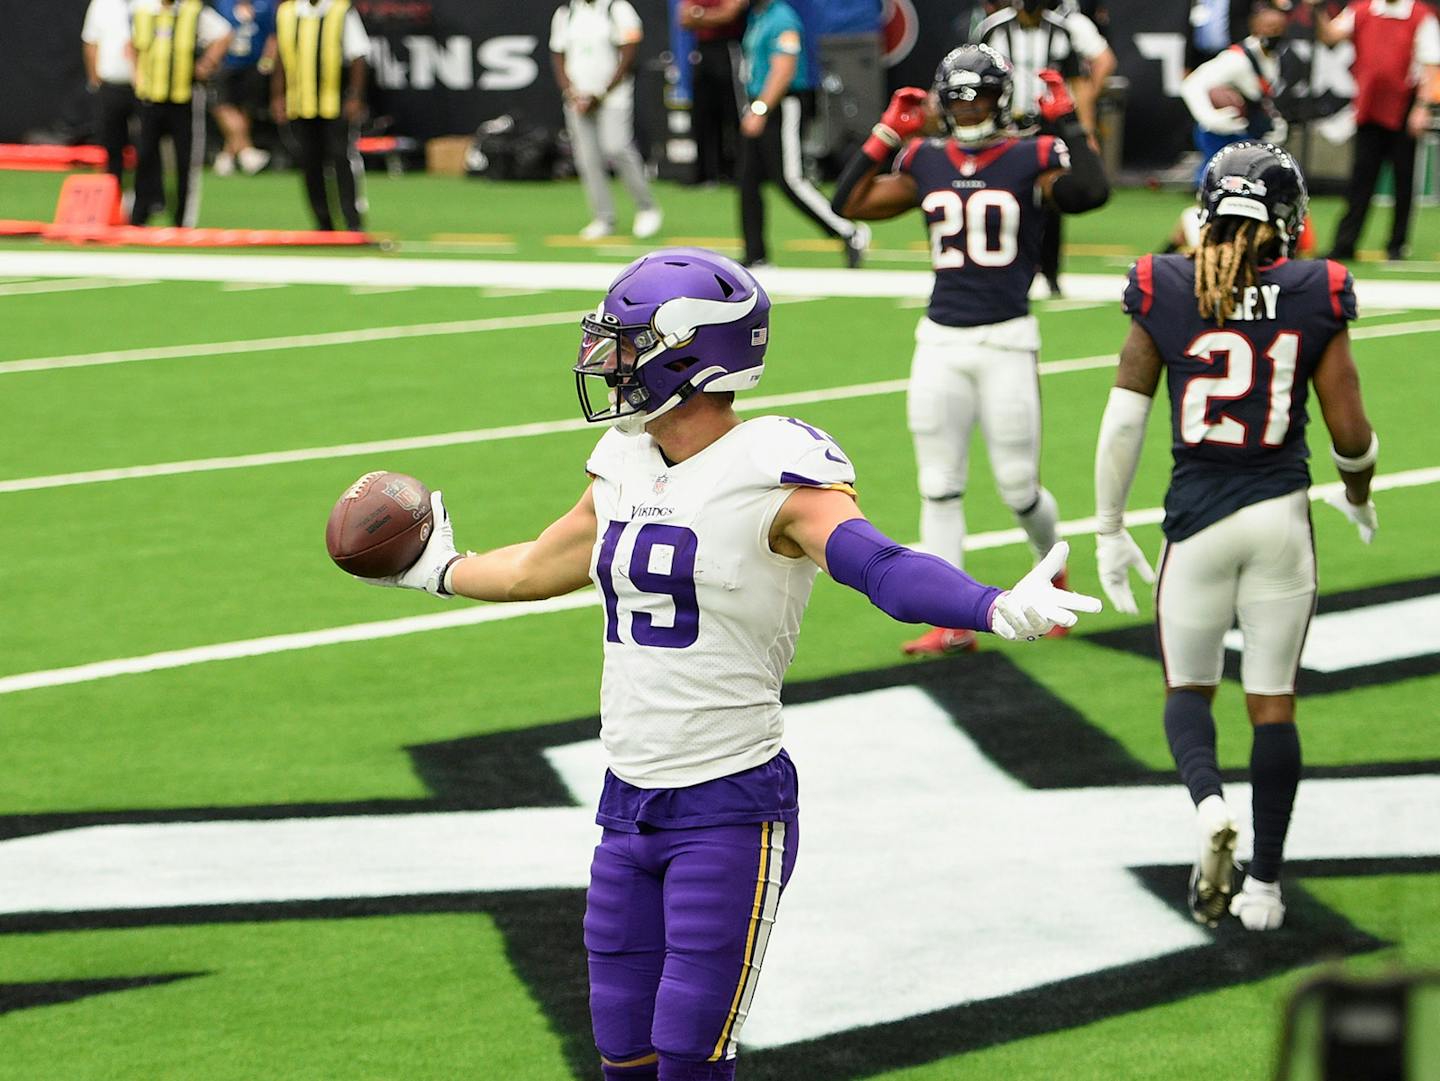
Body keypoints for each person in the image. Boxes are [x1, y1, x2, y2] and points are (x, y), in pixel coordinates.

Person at [348, 246, 1100, 1080]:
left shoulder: (772, 463)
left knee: (690, 1057)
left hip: (728, 803)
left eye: (628, 343)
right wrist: (438, 571)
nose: (610, 361)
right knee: (622, 1050)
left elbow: (877, 564)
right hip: (626, 798)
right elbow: (535, 566)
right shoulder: (625, 461)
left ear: (687, 351)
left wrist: (989, 604)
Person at [1092, 142, 1378, 931]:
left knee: (1188, 691)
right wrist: (1356, 489)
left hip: (1198, 522)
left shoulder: (1168, 284)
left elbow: (1124, 423)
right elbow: (1350, 428)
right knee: (1274, 704)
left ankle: (1210, 803)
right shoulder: (1316, 289)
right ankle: (1266, 887)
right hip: (1280, 518)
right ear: (1287, 220)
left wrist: (1111, 528)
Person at [831, 46, 1110, 655]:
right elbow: (846, 204)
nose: (968, 108)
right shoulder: (928, 159)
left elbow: (1090, 193)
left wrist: (1067, 122)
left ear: (1001, 98)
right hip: (939, 341)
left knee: (1019, 489)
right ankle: (950, 618)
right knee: (939, 486)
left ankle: (1050, 568)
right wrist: (883, 133)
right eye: (956, 97)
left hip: (1007, 339)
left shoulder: (1029, 154)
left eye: (979, 95)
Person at [973, 0, 1116, 296]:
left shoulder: (1061, 31)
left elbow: (1077, 83)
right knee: (1002, 196)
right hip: (1007, 126)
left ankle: (1050, 272)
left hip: (1048, 127)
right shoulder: (994, 29)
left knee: (1052, 199)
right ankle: (1000, 267)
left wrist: (1083, 129)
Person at [737, 0, 869, 267]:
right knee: (747, 180)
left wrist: (761, 109)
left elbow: (783, 69)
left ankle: (848, 231)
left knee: (791, 179)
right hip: (759, 104)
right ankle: (756, 254)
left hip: (782, 104)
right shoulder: (757, 16)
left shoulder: (782, 18)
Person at [1310, 0, 1440, 261]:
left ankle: (1397, 245)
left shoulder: (1421, 15)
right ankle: (1344, 244)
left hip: (1404, 106)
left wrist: (1422, 107)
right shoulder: (1363, 10)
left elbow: (1430, 65)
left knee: (1404, 181)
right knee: (1361, 179)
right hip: (1369, 105)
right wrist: (1317, 8)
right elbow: (1330, 36)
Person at [550, 0, 663, 241]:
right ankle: (603, 217)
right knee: (587, 158)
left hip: (613, 97)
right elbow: (558, 53)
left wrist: (602, 92)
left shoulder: (617, 8)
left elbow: (629, 51)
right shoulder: (566, 12)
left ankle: (647, 208)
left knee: (616, 146)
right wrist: (570, 91)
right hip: (578, 99)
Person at [128, 0, 232, 226]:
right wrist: (136, 74)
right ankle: (140, 215)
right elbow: (131, 45)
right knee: (145, 156)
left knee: (185, 161)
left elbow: (224, 34)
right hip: (149, 98)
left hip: (182, 98)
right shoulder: (142, 10)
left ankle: (182, 219)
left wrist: (207, 62)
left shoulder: (193, 12)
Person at [271, 0, 369, 232]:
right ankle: (323, 222)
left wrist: (355, 96)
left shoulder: (340, 10)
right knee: (309, 162)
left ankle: (352, 221)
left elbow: (358, 55)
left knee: (340, 158)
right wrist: (277, 95)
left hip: (334, 102)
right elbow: (281, 57)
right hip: (300, 102)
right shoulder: (287, 12)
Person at [1181, 1, 1292, 180]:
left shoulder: (1276, 59)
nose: (1274, 34)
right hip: (1220, 134)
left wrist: (1275, 123)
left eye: (1279, 29)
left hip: (1247, 134)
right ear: (1255, 26)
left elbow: (1264, 99)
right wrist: (1211, 118)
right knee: (1215, 180)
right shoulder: (1236, 59)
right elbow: (1191, 85)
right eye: (1270, 27)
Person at [678, 0, 747, 185]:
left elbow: (729, 14)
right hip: (702, 50)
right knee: (702, 113)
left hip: (728, 48)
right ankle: (705, 173)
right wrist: (712, 15)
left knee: (732, 112)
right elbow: (684, 19)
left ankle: (736, 171)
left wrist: (699, 15)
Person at [210, 0, 277, 176]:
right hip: (226, 64)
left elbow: (272, 35)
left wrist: (267, 61)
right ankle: (247, 151)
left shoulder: (265, 4)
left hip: (252, 65)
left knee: (246, 110)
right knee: (221, 106)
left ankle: (228, 156)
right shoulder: (222, 4)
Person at [82, 0, 137, 191]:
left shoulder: (150, 4)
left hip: (144, 87)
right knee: (111, 144)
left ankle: (147, 197)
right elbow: (90, 42)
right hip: (111, 85)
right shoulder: (101, 4)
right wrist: (95, 80)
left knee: (146, 146)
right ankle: (113, 194)